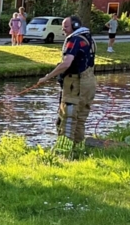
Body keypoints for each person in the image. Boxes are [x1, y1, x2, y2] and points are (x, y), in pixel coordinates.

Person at [36, 16, 96, 155]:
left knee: (67, 118)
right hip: (89, 83)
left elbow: (66, 63)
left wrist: (47, 77)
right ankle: (78, 151)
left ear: (75, 26)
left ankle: (62, 152)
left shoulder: (74, 40)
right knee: (80, 119)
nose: (63, 29)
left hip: (75, 84)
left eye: (66, 26)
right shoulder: (88, 38)